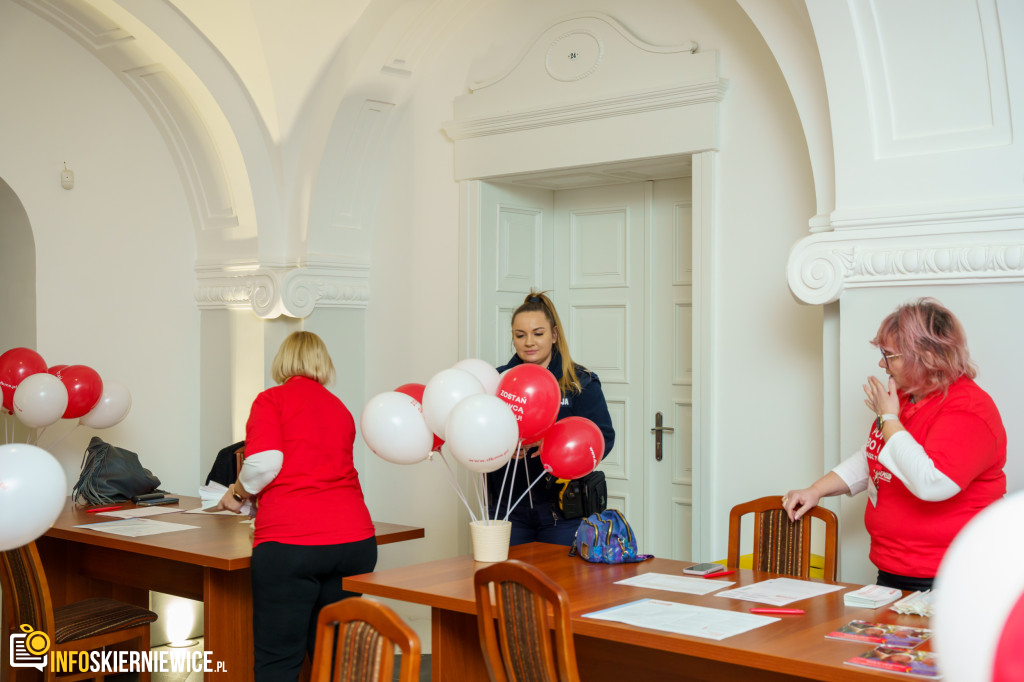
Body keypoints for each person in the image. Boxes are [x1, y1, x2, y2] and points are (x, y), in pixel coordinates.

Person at [782, 298, 1006, 591]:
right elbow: (874, 456)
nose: (881, 363)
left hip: (952, 579)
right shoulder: (905, 397)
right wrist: (816, 491)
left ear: (925, 355)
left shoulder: (968, 409)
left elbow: (932, 483)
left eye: (889, 354)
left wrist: (888, 417)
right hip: (893, 571)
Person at [214, 331, 376, 681]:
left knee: (279, 662)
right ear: (323, 363)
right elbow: (317, 469)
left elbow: (266, 463)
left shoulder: (271, 400)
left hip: (294, 544)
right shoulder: (340, 409)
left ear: (283, 362)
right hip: (355, 543)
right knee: (332, 659)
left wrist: (238, 493)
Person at [488, 290, 615, 546]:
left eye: (538, 333)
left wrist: (551, 443)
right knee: (508, 583)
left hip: (562, 512)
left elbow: (604, 438)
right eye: (520, 335)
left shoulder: (580, 382)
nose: (529, 342)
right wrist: (501, 445)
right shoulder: (496, 381)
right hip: (508, 508)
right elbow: (478, 433)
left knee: (562, 584)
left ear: (554, 335)